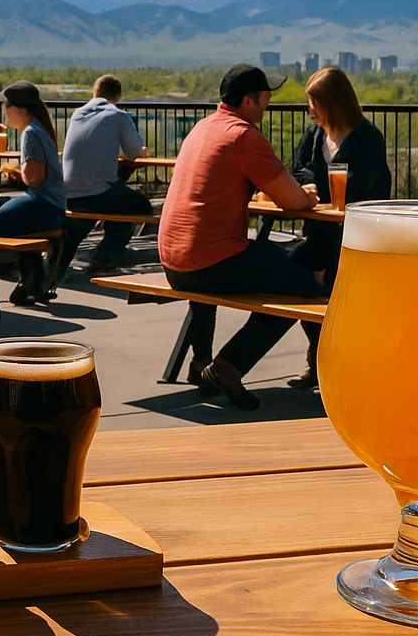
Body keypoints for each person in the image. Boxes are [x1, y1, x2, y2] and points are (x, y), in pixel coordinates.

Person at [158, 64, 322, 410]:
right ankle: (228, 367)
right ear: (248, 101)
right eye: (266, 96)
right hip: (210, 262)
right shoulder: (243, 136)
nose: (269, 102)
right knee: (303, 286)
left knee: (267, 262)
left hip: (174, 261)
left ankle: (201, 362)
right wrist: (307, 196)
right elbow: (291, 200)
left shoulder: (204, 127)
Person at [285, 66, 392, 388]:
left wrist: (313, 187)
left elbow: (360, 186)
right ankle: (320, 355)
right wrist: (312, 185)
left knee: (334, 284)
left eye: (315, 102)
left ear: (334, 102)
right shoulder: (315, 134)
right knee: (294, 275)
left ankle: (335, 365)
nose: (310, 109)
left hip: (360, 239)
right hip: (321, 231)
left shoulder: (367, 138)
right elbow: (296, 171)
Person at [52, 74, 151, 282]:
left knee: (102, 206)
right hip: (97, 193)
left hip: (68, 192)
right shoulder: (118, 116)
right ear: (118, 95)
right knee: (138, 204)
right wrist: (143, 151)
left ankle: (57, 267)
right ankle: (105, 256)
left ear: (94, 93)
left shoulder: (77, 114)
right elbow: (134, 152)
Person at [0, 81, 66, 306]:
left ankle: (31, 275)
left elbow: (34, 179)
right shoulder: (37, 129)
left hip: (44, 204)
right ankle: (32, 279)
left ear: (22, 109)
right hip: (52, 205)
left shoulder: (30, 134)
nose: (4, 108)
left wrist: (18, 172)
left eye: (8, 104)